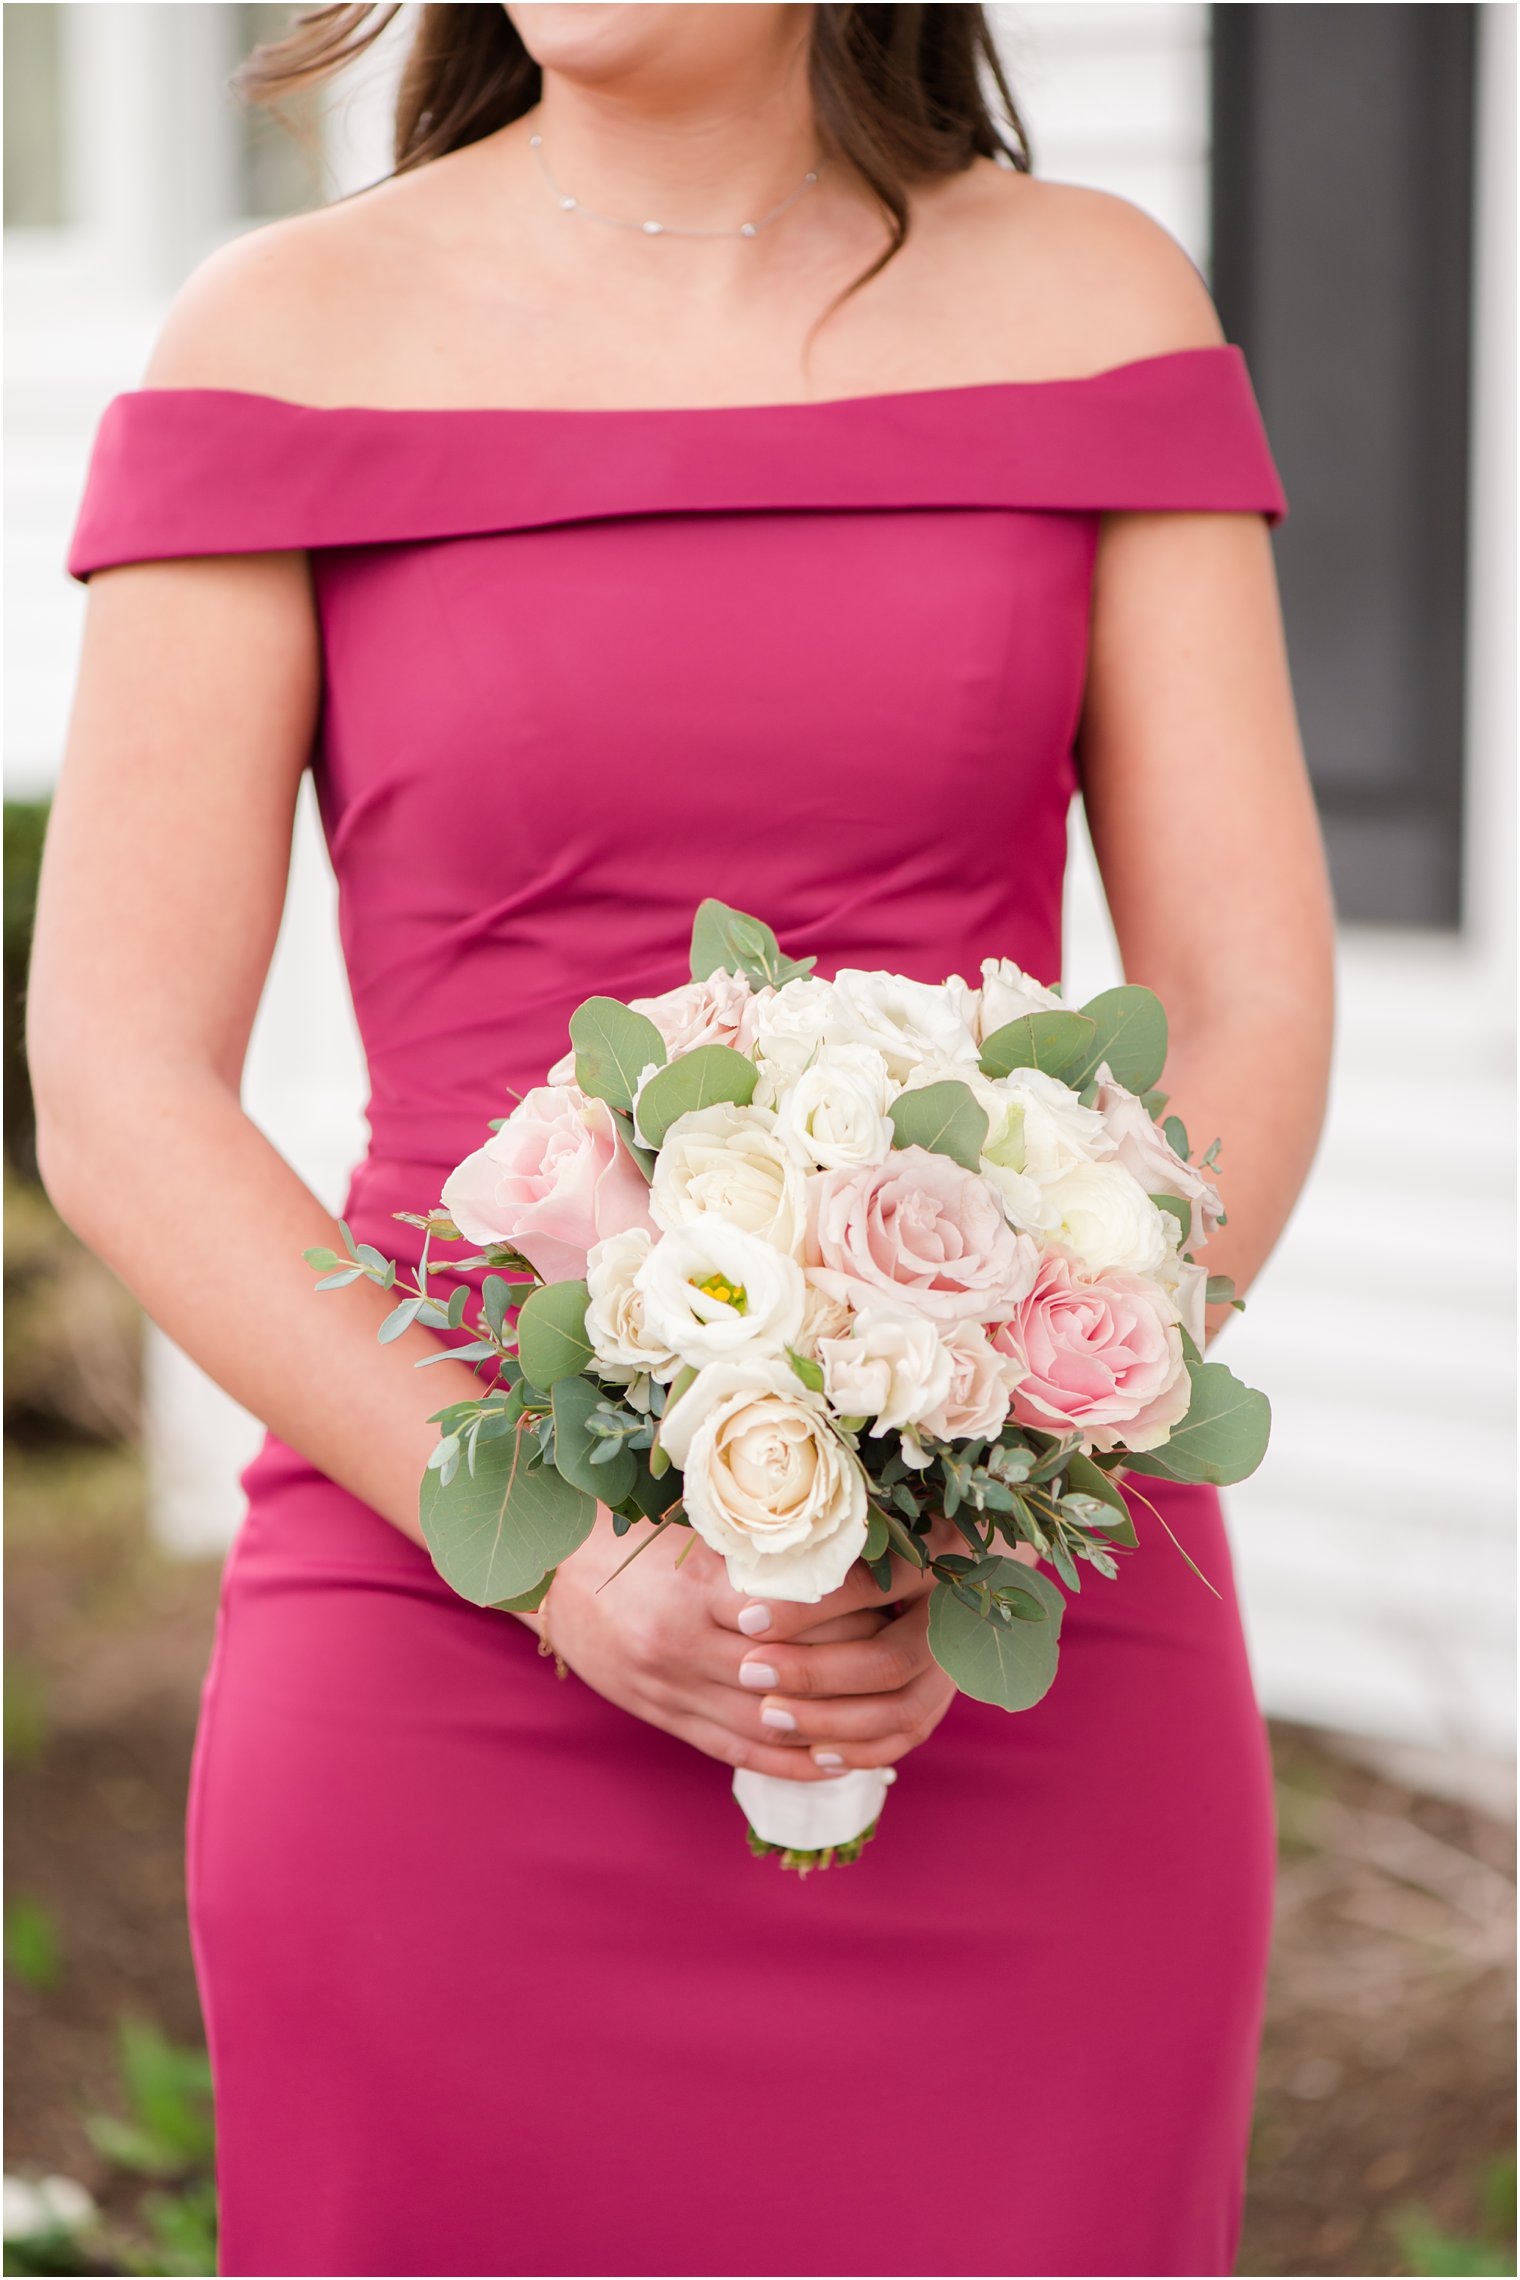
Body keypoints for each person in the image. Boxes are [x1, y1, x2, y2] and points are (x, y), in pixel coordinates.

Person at [29, 6, 1335, 2273]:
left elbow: (1247, 998)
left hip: (1012, 1627)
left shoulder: (1088, 298)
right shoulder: (286, 332)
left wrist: (1013, 1449)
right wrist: (542, 1547)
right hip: (437, 1597)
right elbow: (119, 1080)